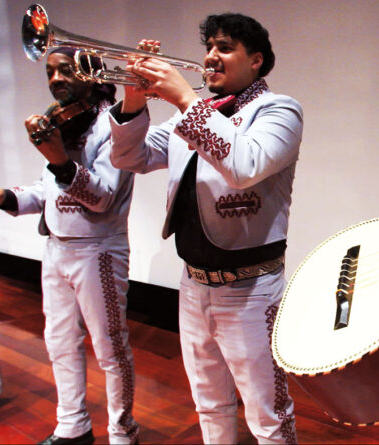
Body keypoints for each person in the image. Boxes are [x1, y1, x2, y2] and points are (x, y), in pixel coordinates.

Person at [108, 13, 300, 445]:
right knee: (208, 403)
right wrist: (134, 99)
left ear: (256, 61)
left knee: (269, 415)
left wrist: (182, 99)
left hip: (250, 289)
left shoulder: (279, 110)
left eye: (225, 47)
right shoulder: (191, 117)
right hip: (192, 285)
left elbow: (244, 166)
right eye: (209, 46)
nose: (211, 56)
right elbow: (129, 158)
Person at [0, 48, 137, 445]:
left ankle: (122, 432)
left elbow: (102, 198)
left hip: (97, 250)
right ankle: (73, 425)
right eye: (49, 72)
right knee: (59, 342)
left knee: (110, 349)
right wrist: (5, 197)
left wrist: (62, 161)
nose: (55, 79)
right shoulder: (58, 124)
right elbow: (45, 193)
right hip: (56, 249)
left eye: (65, 70)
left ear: (93, 75)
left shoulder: (115, 126)